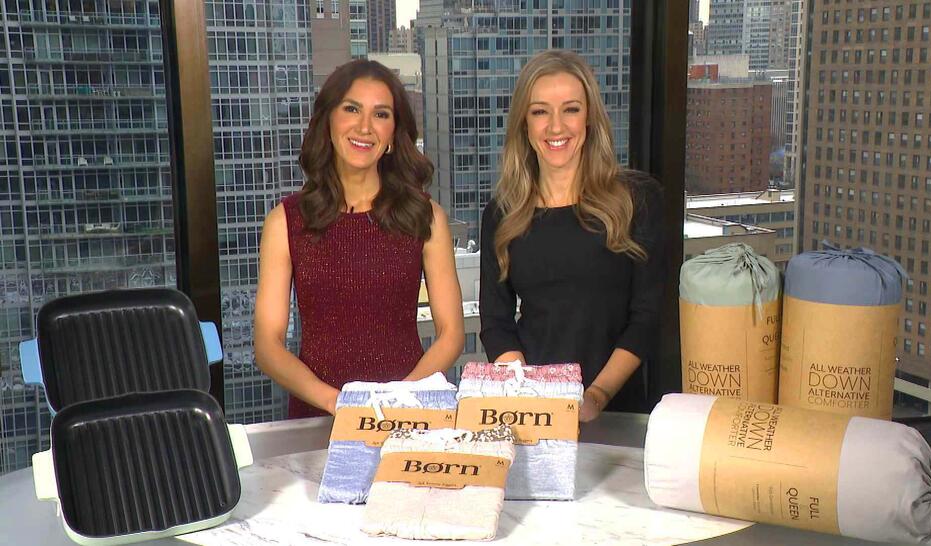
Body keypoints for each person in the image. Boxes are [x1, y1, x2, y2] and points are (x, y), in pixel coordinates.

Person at [254, 60, 464, 418]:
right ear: (329, 121)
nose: (365, 127)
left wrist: (401, 399)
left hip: (407, 416)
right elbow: (267, 345)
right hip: (318, 417)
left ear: (394, 134)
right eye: (351, 109)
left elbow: (452, 333)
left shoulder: (425, 217)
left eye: (380, 114)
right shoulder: (285, 221)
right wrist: (335, 402)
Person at [479, 50, 664, 421]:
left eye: (571, 109)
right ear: (524, 124)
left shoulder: (636, 200)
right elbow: (496, 325)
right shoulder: (502, 213)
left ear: (590, 117)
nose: (556, 127)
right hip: (533, 411)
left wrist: (595, 396)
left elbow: (646, 318)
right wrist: (530, 396)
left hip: (617, 410)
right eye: (540, 111)